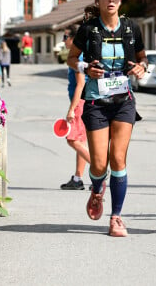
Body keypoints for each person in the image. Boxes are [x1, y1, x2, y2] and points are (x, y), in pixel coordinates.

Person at [67, 0, 147, 237]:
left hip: (124, 101)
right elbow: (71, 58)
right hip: (95, 103)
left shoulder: (131, 28)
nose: (111, 1)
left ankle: (116, 217)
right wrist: (84, 68)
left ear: (120, 0)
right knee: (100, 164)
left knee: (119, 159)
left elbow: (142, 57)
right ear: (98, 1)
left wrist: (141, 67)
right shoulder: (88, 29)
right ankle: (97, 187)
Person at [60, 25, 91, 191]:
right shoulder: (80, 56)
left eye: (65, 37)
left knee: (72, 140)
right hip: (84, 101)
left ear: (73, 39)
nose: (63, 41)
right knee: (81, 141)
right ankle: (78, 178)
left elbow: (81, 84)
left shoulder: (77, 58)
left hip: (80, 102)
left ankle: (100, 169)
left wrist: (72, 109)